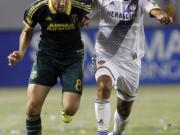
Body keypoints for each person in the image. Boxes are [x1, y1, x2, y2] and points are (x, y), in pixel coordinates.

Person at [88, 0, 173, 135]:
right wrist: (82, 19)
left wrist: (160, 14)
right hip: (105, 55)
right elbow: (85, 13)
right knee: (103, 86)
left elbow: (153, 9)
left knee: (124, 109)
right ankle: (102, 133)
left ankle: (117, 132)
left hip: (130, 61)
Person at [7, 0, 91, 134]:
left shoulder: (80, 5)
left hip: (72, 58)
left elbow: (93, 7)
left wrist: (86, 17)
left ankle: (67, 109)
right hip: (46, 58)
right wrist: (21, 52)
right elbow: (27, 30)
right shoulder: (37, 8)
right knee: (32, 106)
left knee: (70, 108)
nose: (63, 3)